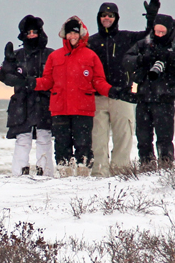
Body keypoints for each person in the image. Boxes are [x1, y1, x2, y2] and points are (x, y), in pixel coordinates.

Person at [31, 17, 131, 177]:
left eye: (75, 33)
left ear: (81, 34)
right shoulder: (55, 57)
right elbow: (46, 81)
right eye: (69, 33)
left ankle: (83, 173)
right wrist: (31, 82)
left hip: (83, 109)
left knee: (83, 144)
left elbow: (98, 82)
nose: (72, 36)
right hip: (60, 109)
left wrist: (112, 91)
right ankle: (65, 174)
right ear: (64, 35)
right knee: (62, 145)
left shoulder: (90, 56)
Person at [86, 0, 160, 176]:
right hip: (97, 97)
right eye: (104, 15)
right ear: (99, 17)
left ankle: (120, 174)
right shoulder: (91, 41)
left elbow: (150, 38)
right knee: (98, 140)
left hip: (123, 96)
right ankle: (99, 175)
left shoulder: (127, 37)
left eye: (111, 15)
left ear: (116, 18)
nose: (107, 18)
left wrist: (151, 18)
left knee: (123, 138)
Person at [122, 14, 175, 165]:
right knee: (143, 138)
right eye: (156, 31)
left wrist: (172, 59)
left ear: (169, 31)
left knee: (164, 138)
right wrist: (142, 59)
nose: (158, 35)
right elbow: (126, 61)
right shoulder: (145, 43)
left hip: (165, 100)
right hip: (143, 99)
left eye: (162, 32)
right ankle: (146, 165)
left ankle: (166, 166)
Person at [0, 15, 55, 177]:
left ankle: (46, 171)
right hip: (21, 103)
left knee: (44, 137)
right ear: (23, 34)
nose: (31, 35)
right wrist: (8, 62)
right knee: (23, 139)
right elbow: (3, 76)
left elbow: (57, 78)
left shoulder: (51, 55)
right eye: (28, 32)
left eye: (34, 32)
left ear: (40, 32)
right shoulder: (16, 56)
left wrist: (35, 83)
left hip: (45, 102)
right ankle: (19, 173)